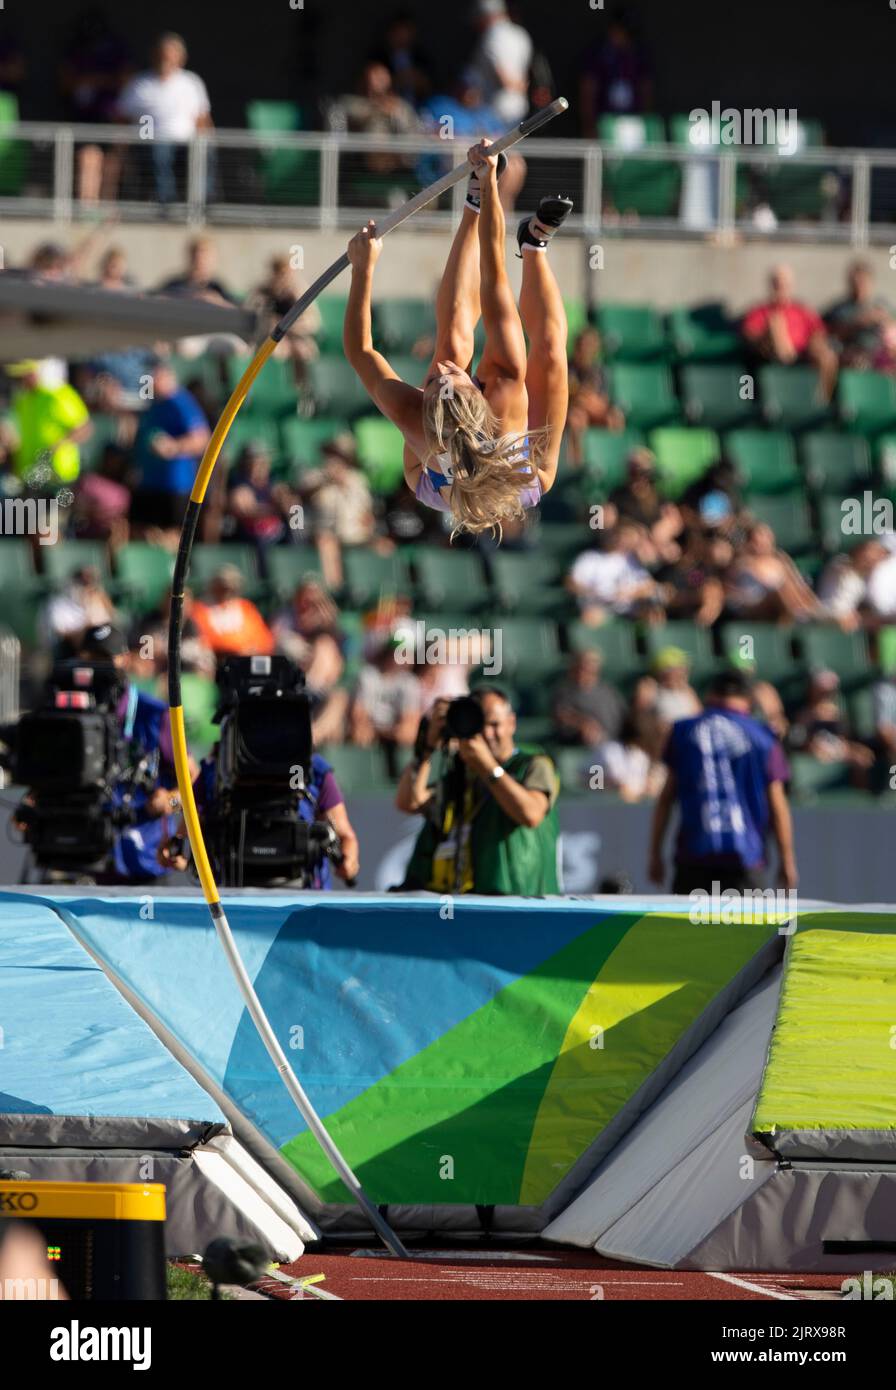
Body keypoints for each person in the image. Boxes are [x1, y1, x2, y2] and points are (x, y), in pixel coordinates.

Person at [343, 141, 573, 536]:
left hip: (431, 477)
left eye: (435, 381)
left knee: (451, 340)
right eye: (456, 376)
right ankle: (534, 245)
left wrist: (362, 268)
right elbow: (494, 276)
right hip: (515, 478)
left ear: (425, 398)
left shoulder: (413, 415)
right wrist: (493, 185)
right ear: (480, 394)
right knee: (550, 350)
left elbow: (361, 351)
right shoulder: (505, 391)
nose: (448, 370)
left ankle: (470, 205)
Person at [395, 687, 560, 894]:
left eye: (494, 724)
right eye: (478, 725)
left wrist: (488, 767)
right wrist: (427, 747)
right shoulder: (461, 774)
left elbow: (531, 814)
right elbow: (409, 802)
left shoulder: (534, 764)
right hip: (471, 901)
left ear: (512, 723)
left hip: (522, 901)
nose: (486, 734)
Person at [648, 668, 797, 894]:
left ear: (710, 695)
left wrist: (655, 853)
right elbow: (777, 806)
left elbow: (666, 798)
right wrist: (787, 860)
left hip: (694, 857)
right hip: (745, 858)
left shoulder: (683, 731)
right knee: (744, 930)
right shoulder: (763, 737)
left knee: (692, 929)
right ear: (747, 699)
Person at [161, 746, 360, 888]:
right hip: (231, 901)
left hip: (305, 902)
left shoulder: (314, 769)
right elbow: (179, 840)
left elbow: (345, 835)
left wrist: (348, 861)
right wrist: (172, 853)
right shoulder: (215, 771)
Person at [117, 32, 213, 205]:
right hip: (152, 141)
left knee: (205, 152)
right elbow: (124, 117)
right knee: (159, 150)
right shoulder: (140, 83)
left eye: (171, 55)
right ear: (155, 55)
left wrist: (204, 141)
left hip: (186, 142)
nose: (166, 60)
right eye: (163, 55)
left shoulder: (191, 82)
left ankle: (202, 204)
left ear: (181, 58)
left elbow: (202, 119)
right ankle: (166, 203)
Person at [131, 360, 210, 538]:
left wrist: (173, 447)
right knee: (143, 533)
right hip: (148, 482)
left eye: (155, 376)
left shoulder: (180, 403)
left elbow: (201, 438)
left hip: (174, 485)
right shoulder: (152, 403)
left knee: (172, 535)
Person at [742, 265, 838, 401]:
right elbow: (750, 335)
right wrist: (771, 334)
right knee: (775, 322)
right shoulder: (759, 311)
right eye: (777, 284)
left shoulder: (802, 310)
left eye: (784, 284)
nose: (781, 288)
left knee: (827, 357)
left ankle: (821, 402)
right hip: (770, 357)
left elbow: (819, 333)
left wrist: (816, 345)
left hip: (802, 355)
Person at [5, 360, 92, 487]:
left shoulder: (58, 395)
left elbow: (85, 428)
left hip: (57, 476)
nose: (21, 381)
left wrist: (57, 446)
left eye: (23, 375)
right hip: (29, 476)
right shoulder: (21, 400)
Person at [567, 520, 659, 624]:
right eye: (622, 536)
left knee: (655, 616)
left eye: (629, 540)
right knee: (591, 616)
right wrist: (595, 593)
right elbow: (571, 583)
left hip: (628, 612)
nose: (623, 541)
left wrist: (630, 593)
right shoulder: (590, 557)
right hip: (598, 607)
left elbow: (650, 586)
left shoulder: (632, 561)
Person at [579, 7, 654, 134]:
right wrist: (589, 126)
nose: (624, 37)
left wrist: (645, 123)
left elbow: (646, 89)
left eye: (628, 33)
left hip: (633, 126)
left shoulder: (638, 55)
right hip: (604, 123)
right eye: (620, 31)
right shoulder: (598, 54)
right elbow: (587, 91)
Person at [469, 0, 533, 126]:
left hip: (496, 112)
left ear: (486, 16)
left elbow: (505, 80)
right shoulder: (520, 33)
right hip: (518, 107)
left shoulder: (492, 36)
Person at [191, 565, 275, 658]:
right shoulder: (200, 608)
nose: (227, 591)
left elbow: (264, 639)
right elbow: (203, 640)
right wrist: (234, 650)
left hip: (248, 658)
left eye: (231, 587)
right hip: (218, 658)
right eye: (222, 587)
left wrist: (252, 649)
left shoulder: (246, 607)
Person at [824, 260, 895, 369]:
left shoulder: (881, 305)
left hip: (881, 353)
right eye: (855, 283)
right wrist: (858, 323)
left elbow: (892, 327)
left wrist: (884, 320)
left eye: (863, 282)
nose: (859, 287)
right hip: (852, 353)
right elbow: (830, 334)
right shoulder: (839, 309)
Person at [551, 649, 626, 747]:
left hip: (615, 743)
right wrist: (582, 723)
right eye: (582, 667)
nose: (584, 672)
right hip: (584, 746)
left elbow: (625, 715)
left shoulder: (608, 691)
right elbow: (560, 715)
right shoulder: (565, 691)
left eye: (590, 668)